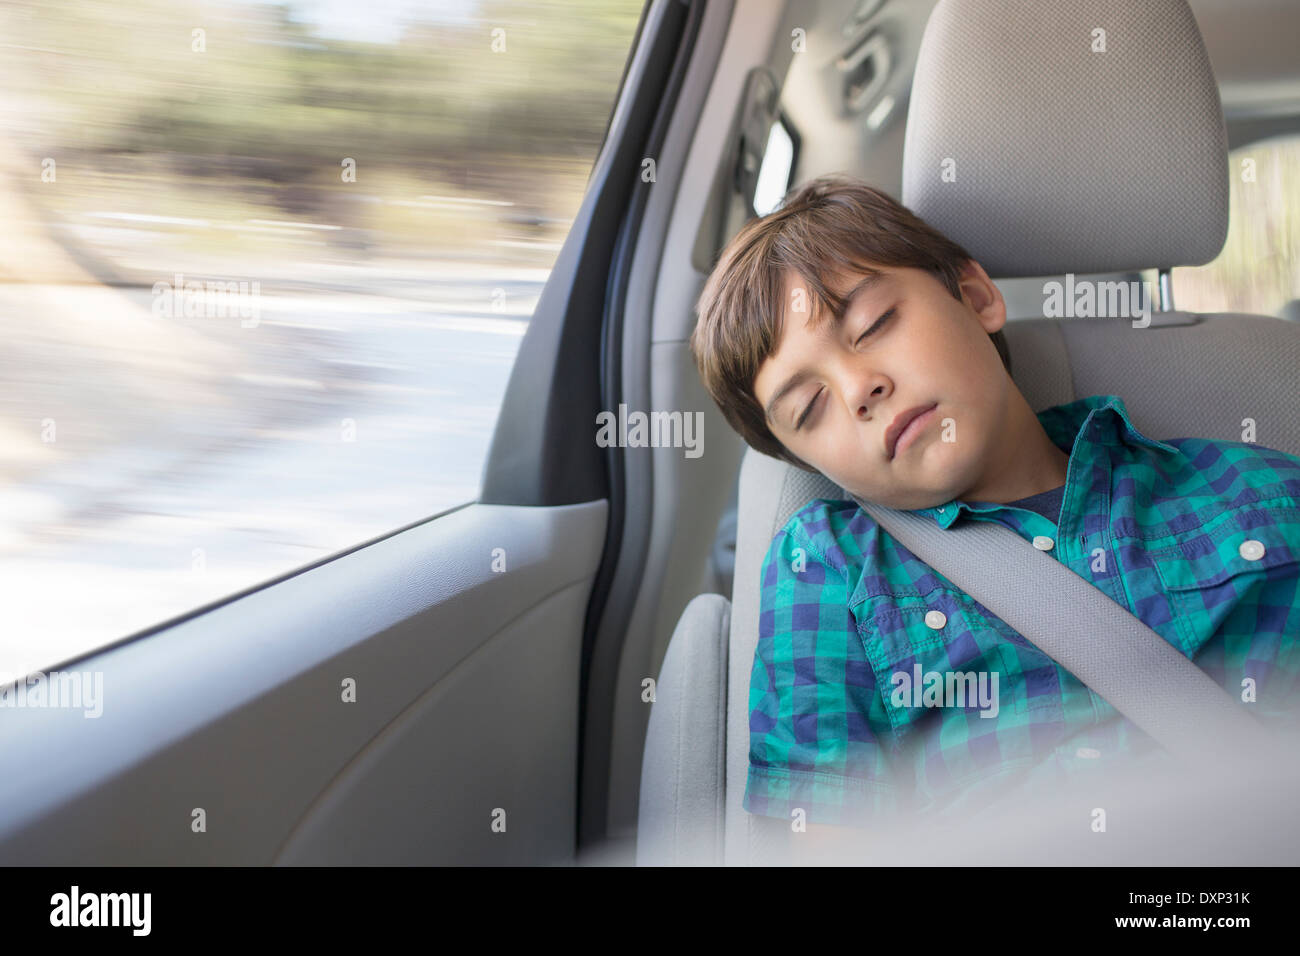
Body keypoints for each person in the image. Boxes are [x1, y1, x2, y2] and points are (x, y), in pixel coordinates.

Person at [689, 174, 1300, 856]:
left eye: (873, 325)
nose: (861, 388)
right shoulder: (829, 568)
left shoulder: (1258, 491)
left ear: (976, 297)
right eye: (808, 410)